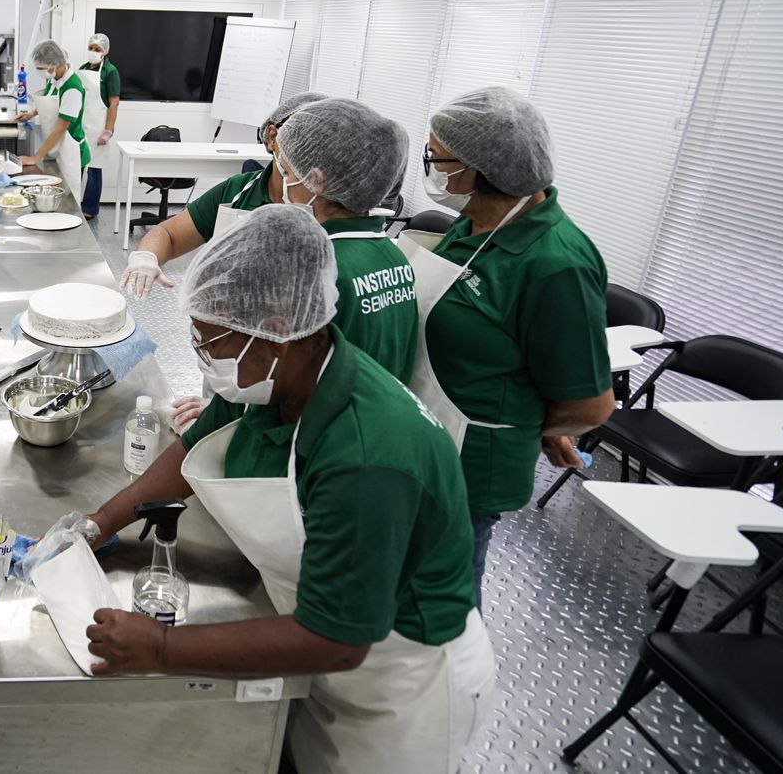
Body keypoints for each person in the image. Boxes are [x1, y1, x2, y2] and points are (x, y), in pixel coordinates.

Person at [82, 205, 494, 774]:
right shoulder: (279, 374)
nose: (203, 357)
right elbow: (189, 450)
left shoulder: (369, 457)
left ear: (276, 328)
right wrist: (99, 523)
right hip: (321, 643)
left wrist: (158, 649)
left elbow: (339, 639)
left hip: (399, 684)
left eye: (209, 342)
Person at [409, 85, 614, 603]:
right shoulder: (476, 224)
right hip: (425, 436)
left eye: (437, 156)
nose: (429, 164)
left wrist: (534, 426)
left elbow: (591, 403)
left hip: (470, 464)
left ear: (479, 169)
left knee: (442, 600)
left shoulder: (555, 264)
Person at [170, 97, 420, 440]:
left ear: (316, 180)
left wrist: (230, 420)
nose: (281, 183)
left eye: (287, 172)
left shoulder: (316, 268)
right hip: (376, 432)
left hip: (313, 442)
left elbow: (286, 372)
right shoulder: (393, 256)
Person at [120, 90, 328, 300]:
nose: (311, 153)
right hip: (224, 323)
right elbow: (169, 235)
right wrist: (146, 257)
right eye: (304, 141)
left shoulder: (331, 204)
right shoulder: (238, 191)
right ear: (273, 137)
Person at [17, 39, 89, 200]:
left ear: (53, 64)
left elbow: (61, 127)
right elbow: (50, 101)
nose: (39, 72)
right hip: (58, 145)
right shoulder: (54, 77)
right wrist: (31, 114)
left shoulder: (72, 88)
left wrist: (36, 157)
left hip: (71, 150)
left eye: (40, 68)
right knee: (56, 194)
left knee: (68, 200)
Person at [77, 33, 121, 220]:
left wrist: (108, 131)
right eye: (91, 48)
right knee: (75, 166)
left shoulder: (110, 72)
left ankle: (90, 208)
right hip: (81, 125)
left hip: (98, 128)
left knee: (94, 169)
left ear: (105, 52)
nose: (93, 52)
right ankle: (73, 204)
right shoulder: (82, 68)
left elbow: (114, 103)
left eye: (98, 49)